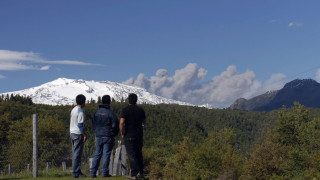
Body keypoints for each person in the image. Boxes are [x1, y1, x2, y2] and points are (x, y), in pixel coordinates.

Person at [90, 95, 119, 178]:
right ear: (109, 102)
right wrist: (114, 133)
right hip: (108, 135)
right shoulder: (110, 113)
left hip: (98, 135)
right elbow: (115, 124)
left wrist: (96, 131)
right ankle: (104, 172)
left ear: (102, 101)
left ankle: (92, 172)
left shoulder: (96, 112)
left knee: (97, 154)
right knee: (106, 154)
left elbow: (93, 123)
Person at [120, 93, 146, 179]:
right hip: (139, 135)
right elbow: (144, 121)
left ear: (128, 100)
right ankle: (141, 172)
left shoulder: (125, 110)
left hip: (129, 135)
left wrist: (122, 133)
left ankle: (134, 173)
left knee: (131, 155)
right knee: (139, 154)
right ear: (136, 100)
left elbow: (121, 123)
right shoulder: (140, 110)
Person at [70, 94, 87, 178]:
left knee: (74, 154)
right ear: (83, 102)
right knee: (77, 154)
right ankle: (76, 173)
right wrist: (84, 134)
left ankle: (77, 171)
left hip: (72, 133)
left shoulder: (73, 110)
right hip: (78, 134)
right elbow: (80, 125)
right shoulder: (80, 111)